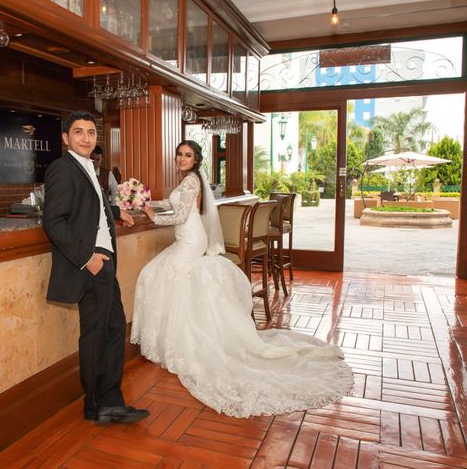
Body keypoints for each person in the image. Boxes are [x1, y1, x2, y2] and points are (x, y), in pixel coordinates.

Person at [132, 140, 353, 418]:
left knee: (157, 275)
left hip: (189, 240)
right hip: (189, 239)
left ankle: (181, 342)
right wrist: (147, 201)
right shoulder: (189, 179)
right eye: (179, 154)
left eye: (187, 155)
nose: (181, 158)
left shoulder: (191, 181)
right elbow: (173, 202)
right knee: (164, 277)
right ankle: (175, 339)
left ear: (195, 159)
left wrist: (151, 215)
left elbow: (181, 215)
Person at [42, 111, 149, 425]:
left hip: (105, 262)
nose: (86, 137)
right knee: (96, 336)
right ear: (66, 138)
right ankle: (96, 405)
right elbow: (53, 221)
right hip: (92, 264)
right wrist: (86, 258)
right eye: (78, 132)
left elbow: (92, 209)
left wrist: (116, 210)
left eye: (90, 132)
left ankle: (110, 401)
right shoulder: (63, 168)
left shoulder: (87, 167)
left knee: (114, 330)